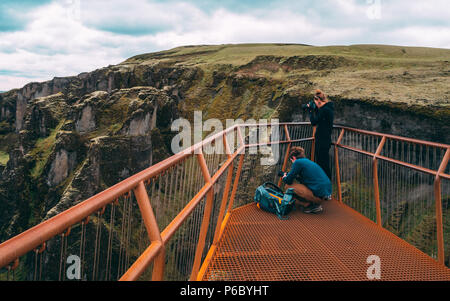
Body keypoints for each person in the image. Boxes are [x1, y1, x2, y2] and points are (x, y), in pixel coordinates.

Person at [282, 146, 332, 213]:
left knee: (288, 186)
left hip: (317, 196)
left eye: (291, 161)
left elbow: (288, 180)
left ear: (293, 158)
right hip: (324, 194)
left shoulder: (297, 162)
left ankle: (311, 205)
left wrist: (284, 177)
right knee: (297, 187)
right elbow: (307, 179)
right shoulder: (307, 161)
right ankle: (312, 203)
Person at [306, 89, 334, 180]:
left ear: (318, 101)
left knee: (323, 164)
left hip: (322, 141)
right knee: (323, 163)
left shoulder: (324, 110)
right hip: (325, 140)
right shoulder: (327, 109)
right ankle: (325, 185)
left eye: (315, 102)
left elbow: (314, 122)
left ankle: (326, 186)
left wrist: (310, 111)